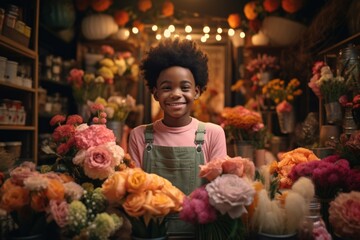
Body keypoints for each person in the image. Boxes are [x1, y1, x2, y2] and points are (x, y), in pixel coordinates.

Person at [127, 38, 227, 236]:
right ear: (155, 93)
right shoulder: (139, 135)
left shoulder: (212, 133)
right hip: (152, 233)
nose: (175, 94)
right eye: (166, 87)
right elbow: (133, 193)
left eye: (184, 87)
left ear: (197, 91)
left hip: (200, 233)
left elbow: (219, 191)